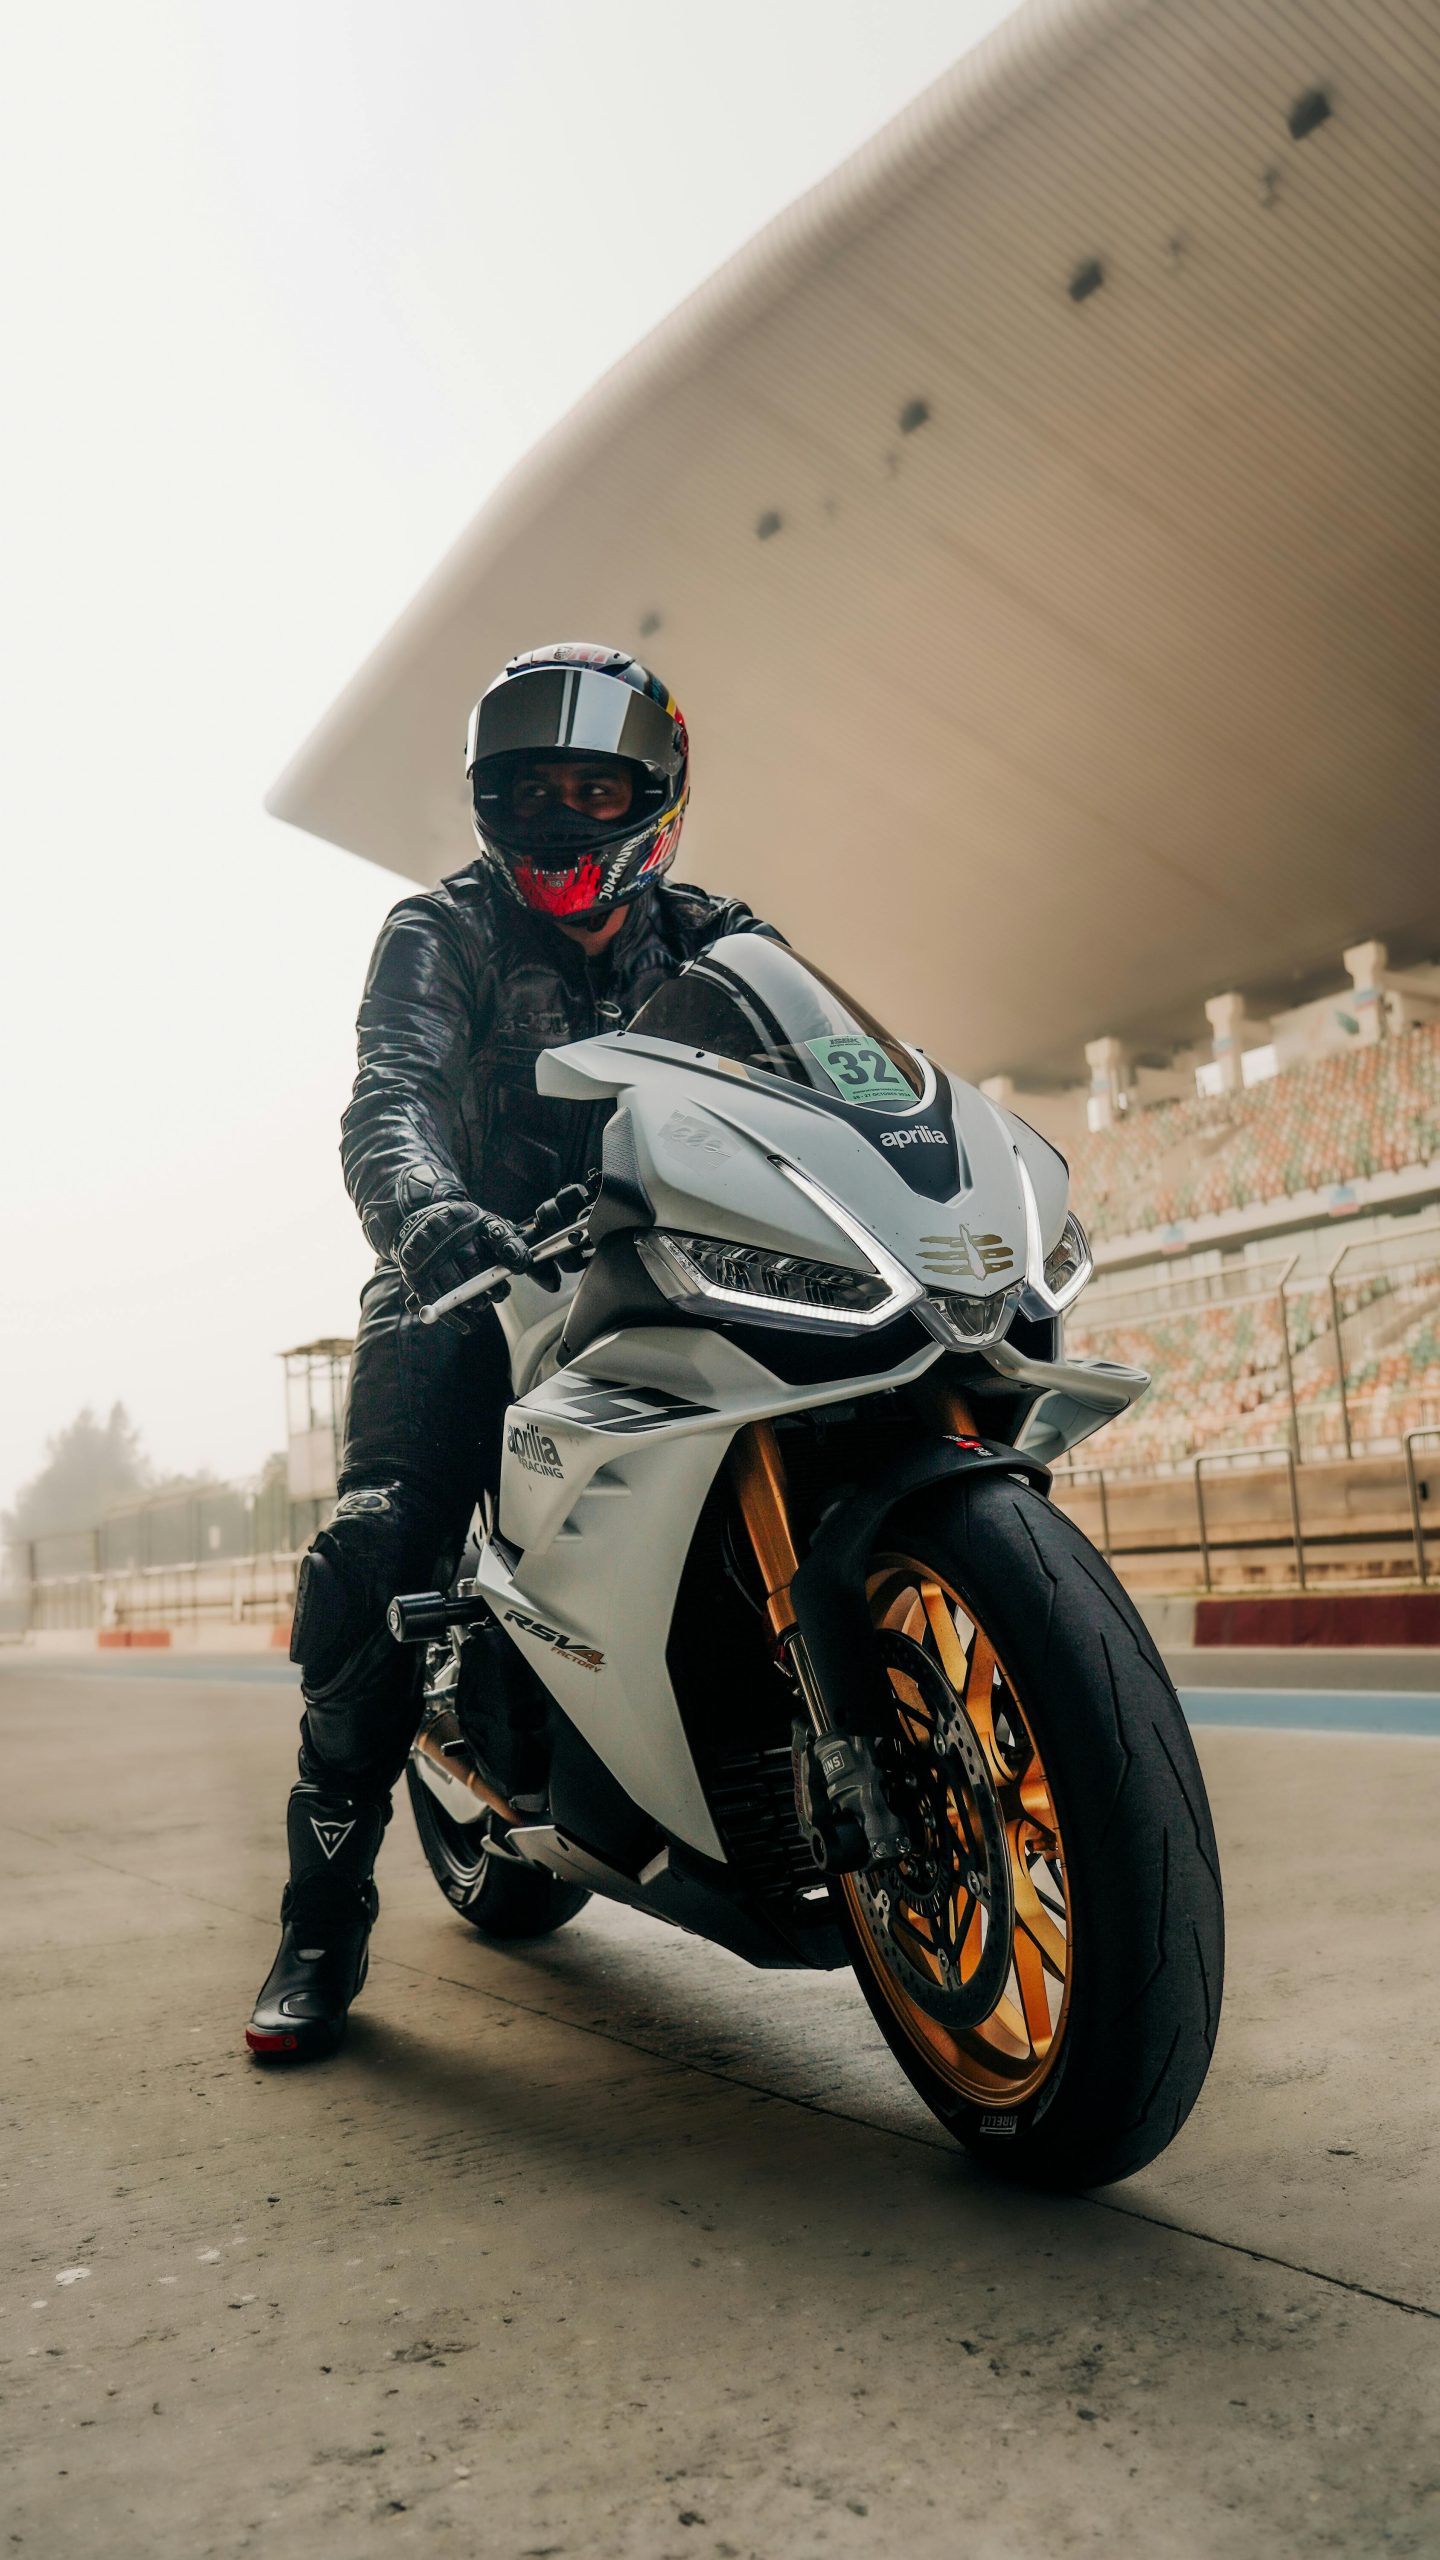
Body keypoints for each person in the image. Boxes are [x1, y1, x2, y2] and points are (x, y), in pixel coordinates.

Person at [246, 642, 776, 2059]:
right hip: (475, 1284)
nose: (560, 813)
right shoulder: (443, 931)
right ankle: (318, 1926)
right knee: (375, 1549)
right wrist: (431, 1221)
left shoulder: (724, 939)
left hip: (672, 1277)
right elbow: (390, 1098)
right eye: (530, 786)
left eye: (593, 784)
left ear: (651, 796)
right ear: (488, 800)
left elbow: (833, 1069)